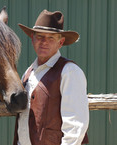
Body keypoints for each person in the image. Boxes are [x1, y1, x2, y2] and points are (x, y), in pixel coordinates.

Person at [13, 10, 89, 145]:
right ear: (32, 38)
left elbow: (75, 126)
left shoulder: (69, 72)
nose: (44, 42)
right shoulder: (28, 73)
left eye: (51, 38)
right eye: (40, 36)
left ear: (61, 42)